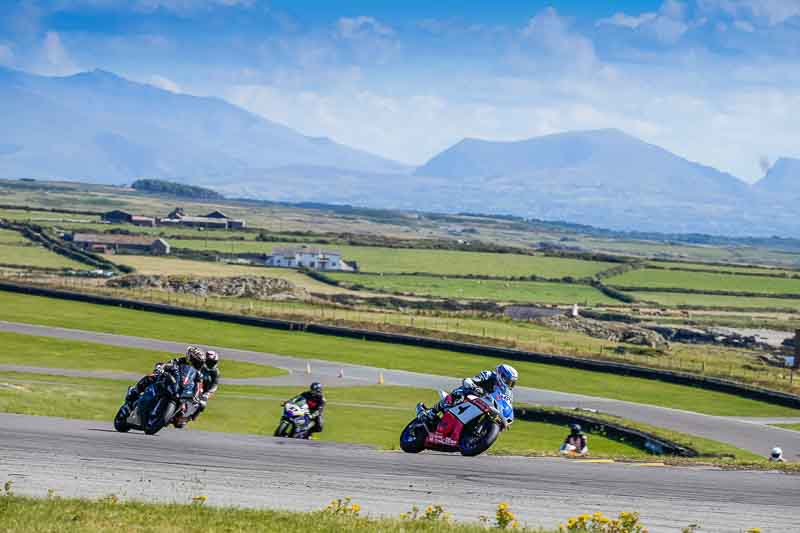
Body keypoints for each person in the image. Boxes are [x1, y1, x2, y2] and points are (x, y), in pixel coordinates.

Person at [418, 364, 518, 422]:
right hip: (472, 395)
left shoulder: (508, 393)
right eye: (508, 381)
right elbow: (471, 380)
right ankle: (431, 412)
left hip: (487, 405)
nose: (510, 384)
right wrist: (474, 386)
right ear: (501, 375)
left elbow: (507, 404)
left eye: (512, 382)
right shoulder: (488, 375)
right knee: (458, 394)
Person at [124, 346, 206, 410]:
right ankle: (134, 391)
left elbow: (199, 386)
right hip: (170, 380)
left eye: (199, 362)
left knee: (188, 407)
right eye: (196, 361)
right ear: (190, 358)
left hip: (182, 389)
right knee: (152, 376)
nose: (197, 364)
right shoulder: (180, 361)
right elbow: (167, 364)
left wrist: (197, 397)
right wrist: (160, 368)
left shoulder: (198, 373)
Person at [190, 350, 220, 421]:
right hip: (190, 385)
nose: (211, 364)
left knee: (202, 405)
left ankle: (192, 417)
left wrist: (207, 394)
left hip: (202, 392)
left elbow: (215, 385)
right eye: (209, 362)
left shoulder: (215, 372)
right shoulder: (198, 365)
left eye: (213, 362)